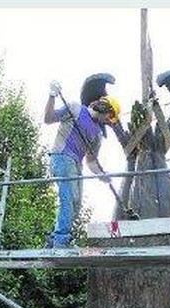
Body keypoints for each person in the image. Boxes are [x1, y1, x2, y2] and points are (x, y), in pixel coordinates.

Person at [43, 81, 121, 248]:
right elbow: (48, 119)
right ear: (104, 108)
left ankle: (55, 238)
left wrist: (102, 174)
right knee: (69, 198)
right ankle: (60, 241)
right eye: (109, 116)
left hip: (76, 164)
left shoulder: (98, 135)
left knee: (76, 204)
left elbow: (91, 162)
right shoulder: (75, 109)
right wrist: (52, 95)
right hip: (62, 156)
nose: (108, 121)